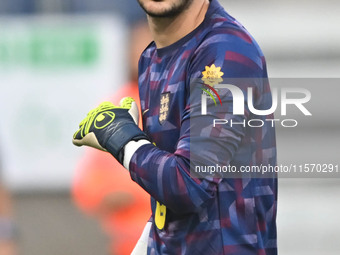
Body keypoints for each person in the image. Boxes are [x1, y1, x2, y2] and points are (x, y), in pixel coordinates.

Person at [72, 0, 277, 254]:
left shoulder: (223, 51)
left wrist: (123, 139)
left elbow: (189, 184)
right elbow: (169, 207)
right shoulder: (151, 58)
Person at [72, 21, 152, 255]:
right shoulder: (118, 105)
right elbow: (87, 184)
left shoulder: (187, 101)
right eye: (138, 45)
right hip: (128, 243)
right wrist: (109, 193)